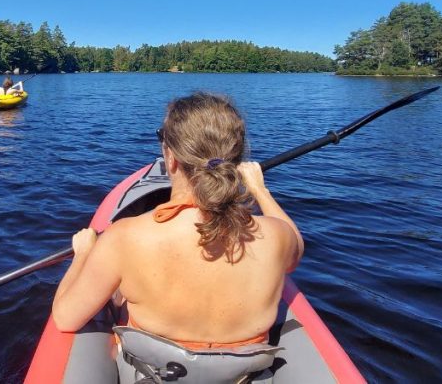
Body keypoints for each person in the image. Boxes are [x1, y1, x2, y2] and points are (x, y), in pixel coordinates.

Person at [51, 92, 304, 353]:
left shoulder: (124, 238)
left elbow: (65, 317)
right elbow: (296, 251)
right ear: (236, 160)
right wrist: (260, 190)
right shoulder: (276, 236)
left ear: (170, 157)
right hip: (244, 375)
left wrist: (83, 254)